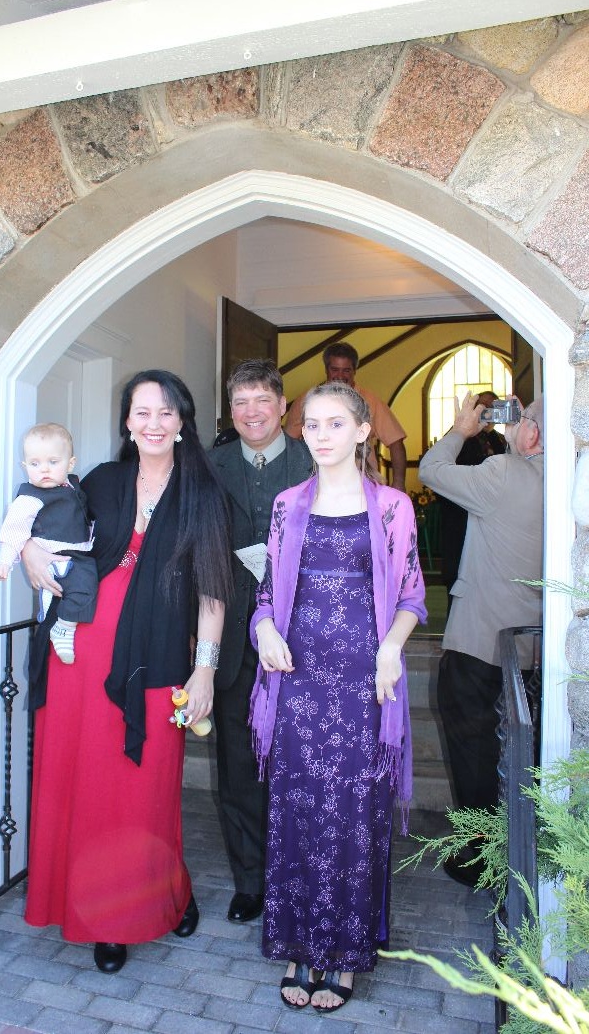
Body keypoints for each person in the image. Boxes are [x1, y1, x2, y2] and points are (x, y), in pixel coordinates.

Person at [21, 370, 233, 974]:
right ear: (127, 423)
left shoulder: (204, 494)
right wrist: (28, 549)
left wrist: (204, 671)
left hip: (156, 657)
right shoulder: (101, 480)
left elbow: (212, 590)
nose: (154, 423)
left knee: (143, 789)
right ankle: (101, 916)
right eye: (142, 412)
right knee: (85, 785)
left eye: (165, 411)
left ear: (183, 420)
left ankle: (163, 894)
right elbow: (43, 517)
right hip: (79, 656)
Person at [250, 382, 426, 1013]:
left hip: (363, 683)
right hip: (297, 680)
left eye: (335, 424)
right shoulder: (286, 504)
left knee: (354, 812)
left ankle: (346, 954)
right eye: (312, 425)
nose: (320, 435)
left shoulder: (392, 507)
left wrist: (391, 648)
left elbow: (411, 597)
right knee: (297, 808)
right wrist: (265, 630)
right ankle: (299, 945)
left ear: (362, 432)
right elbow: (267, 594)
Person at [419, 392, 543, 885]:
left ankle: (480, 857)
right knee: (514, 754)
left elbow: (431, 470)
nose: (514, 423)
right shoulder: (562, 481)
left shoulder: (504, 472)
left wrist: (461, 430)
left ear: (532, 433)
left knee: (473, 753)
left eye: (522, 418)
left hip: (479, 642)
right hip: (528, 646)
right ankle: (513, 851)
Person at [208, 359, 313, 924]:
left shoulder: (311, 458)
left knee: (299, 759)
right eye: (241, 402)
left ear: (282, 405)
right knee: (238, 761)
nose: (251, 412)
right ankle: (250, 880)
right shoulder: (211, 464)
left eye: (262, 401)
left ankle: (298, 871)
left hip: (301, 637)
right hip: (228, 635)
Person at [0, 422, 97, 664]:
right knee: (82, 587)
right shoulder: (30, 498)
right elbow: (14, 530)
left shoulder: (72, 485)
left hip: (76, 553)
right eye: (35, 464)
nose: (44, 470)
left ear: (70, 464)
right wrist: (4, 561)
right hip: (52, 556)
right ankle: (63, 627)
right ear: (25, 466)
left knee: (86, 586)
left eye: (53, 462)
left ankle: (62, 621)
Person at [284, 342, 408, 491]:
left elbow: (396, 442)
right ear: (326, 370)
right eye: (335, 369)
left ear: (355, 371)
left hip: (363, 486)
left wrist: (399, 483)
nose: (340, 376)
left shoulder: (371, 401)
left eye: (346, 370)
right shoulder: (306, 401)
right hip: (317, 485)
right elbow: (288, 444)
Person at [436, 392, 506, 611]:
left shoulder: (498, 439)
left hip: (491, 520)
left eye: (493, 408)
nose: (487, 413)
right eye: (483, 407)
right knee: (457, 574)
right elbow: (438, 471)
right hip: (459, 516)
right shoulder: (456, 436)